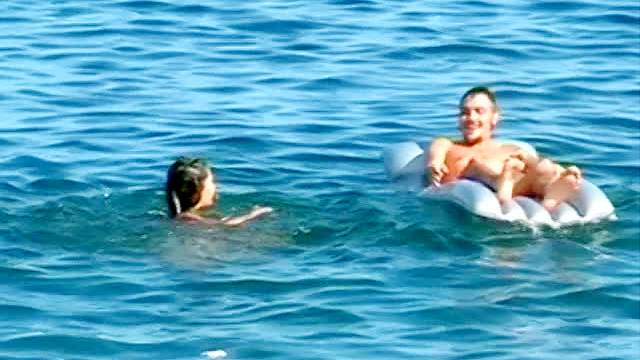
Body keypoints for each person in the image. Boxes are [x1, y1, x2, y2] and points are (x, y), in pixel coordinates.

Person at [427, 86, 582, 211]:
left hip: (515, 182)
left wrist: (549, 168)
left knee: (539, 166)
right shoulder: (450, 145)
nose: (471, 118)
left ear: (494, 118)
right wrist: (435, 162)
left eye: (479, 112)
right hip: (484, 182)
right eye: (464, 113)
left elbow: (531, 165)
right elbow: (438, 147)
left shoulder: (508, 149)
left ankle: (551, 196)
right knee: (479, 164)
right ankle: (504, 182)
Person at [166, 157, 272, 225]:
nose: (216, 187)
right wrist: (253, 215)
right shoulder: (185, 217)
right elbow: (224, 226)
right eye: (212, 182)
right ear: (196, 191)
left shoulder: (187, 216)